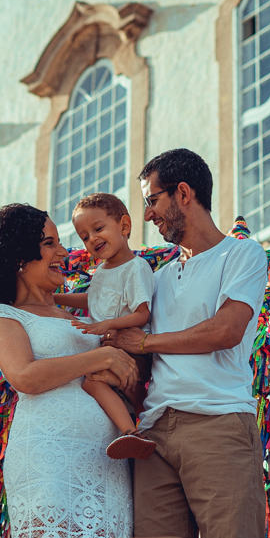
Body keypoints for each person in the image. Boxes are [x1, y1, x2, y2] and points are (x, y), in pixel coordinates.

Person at [104, 149, 269, 538]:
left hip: (218, 424)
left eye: (151, 200)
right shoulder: (157, 279)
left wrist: (146, 341)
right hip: (153, 436)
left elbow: (226, 330)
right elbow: (144, 360)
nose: (147, 215)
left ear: (182, 193)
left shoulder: (241, 253)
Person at [0, 203, 137, 538]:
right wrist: (99, 357)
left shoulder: (86, 319)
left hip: (106, 463)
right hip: (48, 459)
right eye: (50, 244)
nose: (63, 252)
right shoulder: (4, 316)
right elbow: (25, 377)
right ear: (19, 256)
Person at [54, 193, 157, 461]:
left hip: (132, 351)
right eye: (84, 237)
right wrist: (54, 299)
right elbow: (92, 299)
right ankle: (136, 426)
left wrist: (108, 325)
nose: (92, 239)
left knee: (94, 381)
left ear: (124, 226)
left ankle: (132, 431)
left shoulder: (135, 268)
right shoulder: (102, 271)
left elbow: (142, 314)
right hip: (110, 349)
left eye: (98, 228)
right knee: (94, 383)